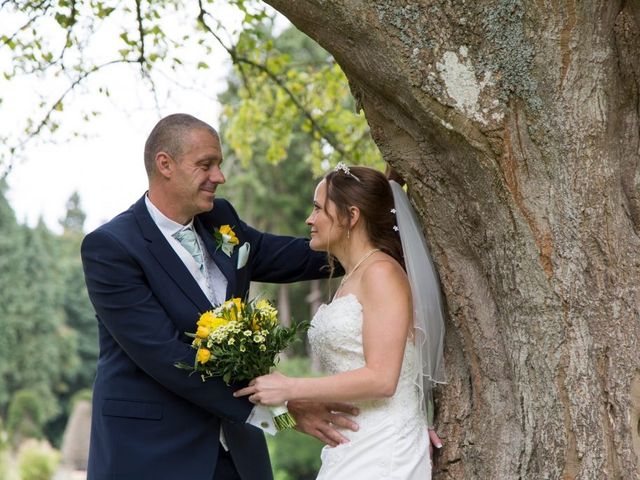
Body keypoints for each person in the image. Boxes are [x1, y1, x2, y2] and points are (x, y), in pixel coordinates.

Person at [80, 113, 358, 480]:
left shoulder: (219, 219)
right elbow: (171, 359)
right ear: (165, 164)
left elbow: (290, 258)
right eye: (206, 165)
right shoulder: (111, 248)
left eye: (219, 165)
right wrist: (284, 409)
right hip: (151, 456)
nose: (219, 177)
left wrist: (364, 237)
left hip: (239, 455)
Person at [236, 164, 446, 479]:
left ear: (352, 216)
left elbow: (383, 379)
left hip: (383, 449)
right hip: (351, 443)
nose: (310, 219)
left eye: (319, 208)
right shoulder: (355, 274)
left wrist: (291, 387)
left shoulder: (381, 273)